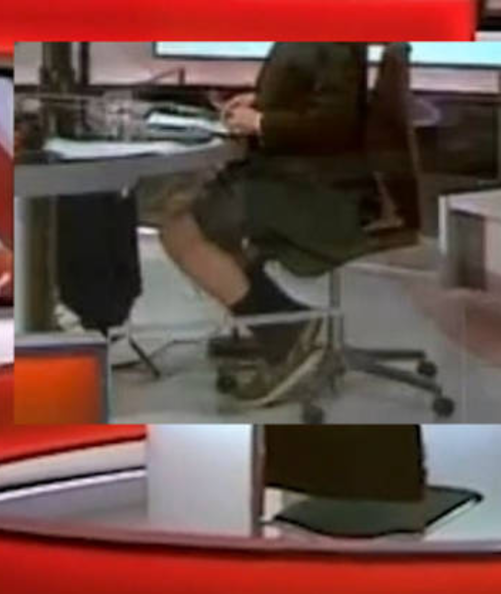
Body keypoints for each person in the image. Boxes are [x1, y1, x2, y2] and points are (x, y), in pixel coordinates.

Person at [141, 42, 375, 407]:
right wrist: (261, 102)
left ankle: (284, 331)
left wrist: (262, 122)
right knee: (201, 211)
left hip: (317, 190)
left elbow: (334, 125)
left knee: (180, 225)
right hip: (297, 176)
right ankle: (280, 321)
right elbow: (307, 94)